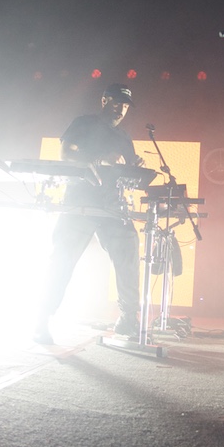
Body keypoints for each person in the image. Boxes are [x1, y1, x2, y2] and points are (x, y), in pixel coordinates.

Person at [33, 83, 143, 345]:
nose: (121, 109)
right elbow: (65, 154)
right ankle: (41, 319)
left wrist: (135, 168)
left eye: (126, 106)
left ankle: (128, 317)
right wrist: (101, 158)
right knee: (62, 259)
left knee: (129, 253)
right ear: (104, 101)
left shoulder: (125, 137)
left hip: (112, 206)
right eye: (117, 103)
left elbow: (126, 170)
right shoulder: (83, 123)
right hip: (80, 202)